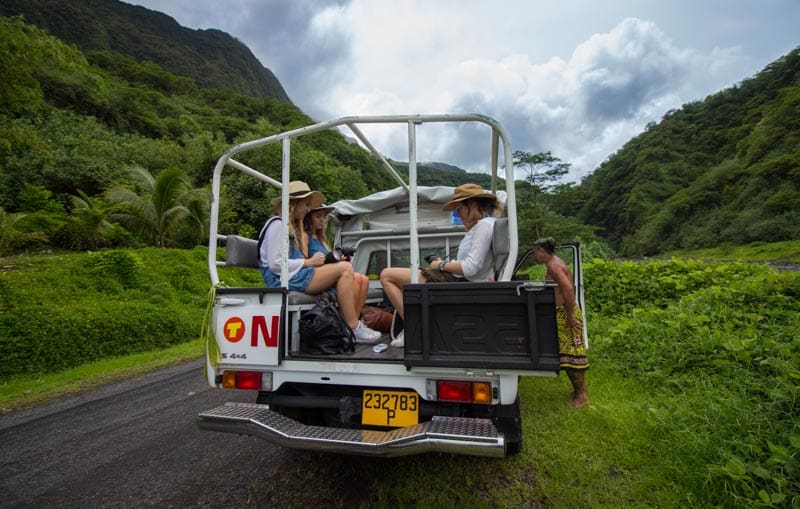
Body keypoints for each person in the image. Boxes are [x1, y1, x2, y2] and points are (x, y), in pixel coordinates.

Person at [379, 183, 502, 348]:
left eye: (459, 208)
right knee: (403, 277)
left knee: (387, 275)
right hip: (459, 279)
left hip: (460, 283)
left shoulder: (483, 227)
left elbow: (471, 267)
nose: (458, 214)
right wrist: (442, 264)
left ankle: (414, 327)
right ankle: (416, 323)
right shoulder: (483, 226)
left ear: (471, 205)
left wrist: (441, 265)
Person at [259, 181, 381, 342]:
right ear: (294, 204)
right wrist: (308, 262)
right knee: (344, 269)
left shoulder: (287, 226)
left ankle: (344, 329)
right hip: (281, 280)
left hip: (292, 276)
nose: (308, 210)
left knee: (352, 274)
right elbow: (275, 265)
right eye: (306, 205)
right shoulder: (277, 225)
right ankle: (352, 327)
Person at [531, 237, 590, 409]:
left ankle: (582, 396)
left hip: (566, 314)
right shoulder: (555, 262)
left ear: (541, 251)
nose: (535, 256)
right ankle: (578, 391)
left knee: (572, 356)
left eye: (535, 252)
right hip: (564, 312)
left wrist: (570, 315)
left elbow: (568, 289)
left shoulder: (553, 265)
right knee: (572, 354)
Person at [304, 204, 373, 332]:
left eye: (323, 217)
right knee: (356, 279)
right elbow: (309, 261)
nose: (322, 220)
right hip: (318, 277)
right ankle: (348, 326)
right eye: (318, 217)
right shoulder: (305, 238)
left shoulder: (321, 240)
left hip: (329, 274)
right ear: (308, 218)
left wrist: (338, 260)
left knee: (364, 279)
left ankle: (351, 327)